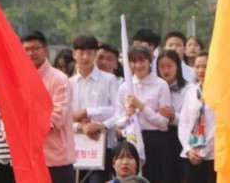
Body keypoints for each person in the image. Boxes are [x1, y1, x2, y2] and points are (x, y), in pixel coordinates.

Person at [21, 31, 76, 183]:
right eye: (26, 49)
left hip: (56, 162)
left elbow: (57, 117)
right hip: (29, 161)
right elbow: (10, 113)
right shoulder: (19, 81)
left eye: (35, 48)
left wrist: (27, 129)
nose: (31, 53)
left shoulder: (59, 80)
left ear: (45, 50)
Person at [116, 45, 171, 183]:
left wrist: (141, 107)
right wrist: (128, 115)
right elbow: (118, 121)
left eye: (142, 61)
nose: (138, 65)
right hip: (132, 140)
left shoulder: (161, 85)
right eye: (134, 61)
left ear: (149, 61)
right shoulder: (124, 87)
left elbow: (163, 123)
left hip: (155, 141)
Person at [70, 35, 119, 183]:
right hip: (76, 145)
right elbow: (66, 117)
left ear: (95, 54)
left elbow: (118, 112)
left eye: (90, 53)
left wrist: (99, 123)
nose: (85, 57)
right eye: (81, 53)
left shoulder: (109, 80)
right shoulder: (68, 83)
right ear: (74, 54)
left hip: (104, 144)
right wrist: (81, 126)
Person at [178, 52, 215, 183]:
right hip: (191, 155)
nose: (200, 70)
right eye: (197, 66)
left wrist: (203, 152)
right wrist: (188, 149)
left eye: (205, 66)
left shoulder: (220, 93)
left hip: (212, 155)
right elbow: (184, 124)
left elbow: (218, 126)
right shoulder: (191, 92)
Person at [156, 50, 192, 183]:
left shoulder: (189, 89)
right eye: (162, 66)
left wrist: (174, 116)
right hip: (160, 138)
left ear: (178, 66)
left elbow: (193, 118)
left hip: (180, 138)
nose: (166, 70)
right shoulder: (154, 87)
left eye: (169, 65)